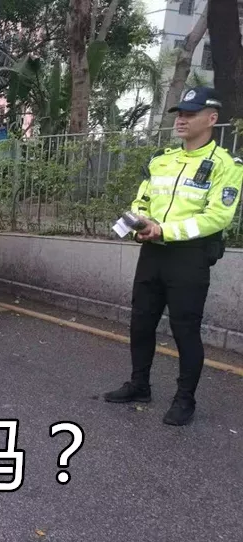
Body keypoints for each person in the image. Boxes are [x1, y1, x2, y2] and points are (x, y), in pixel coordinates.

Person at [104, 86, 242, 426]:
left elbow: (217, 217)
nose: (181, 119)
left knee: (185, 330)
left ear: (212, 118)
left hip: (189, 257)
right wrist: (139, 222)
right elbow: (142, 199)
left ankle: (185, 399)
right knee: (141, 322)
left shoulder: (226, 165)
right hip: (152, 253)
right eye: (179, 113)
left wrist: (164, 230)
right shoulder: (160, 160)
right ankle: (139, 385)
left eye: (190, 114)